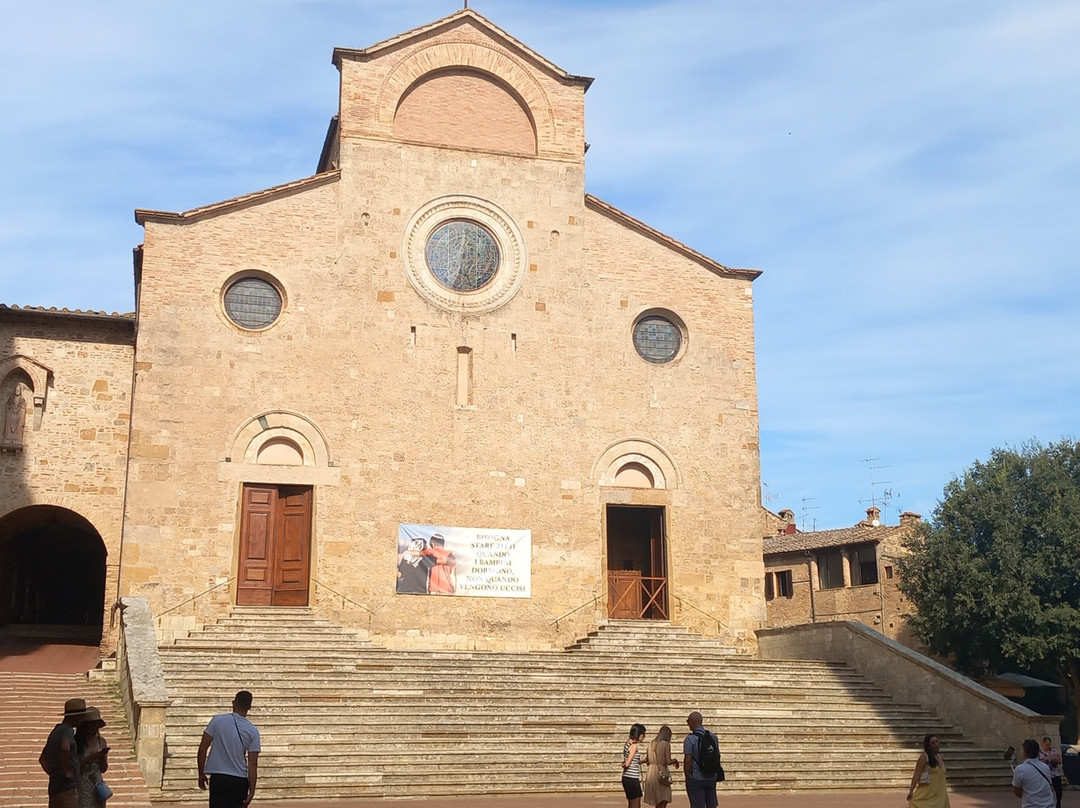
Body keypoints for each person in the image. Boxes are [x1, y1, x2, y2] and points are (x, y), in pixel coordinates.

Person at [197, 691, 261, 808]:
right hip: (239, 779)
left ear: (234, 703)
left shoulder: (217, 721)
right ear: (249, 707)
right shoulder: (253, 731)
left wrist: (201, 773)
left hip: (219, 777)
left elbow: (203, 748)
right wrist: (252, 790)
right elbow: (253, 763)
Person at [39, 698, 93, 808]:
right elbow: (65, 748)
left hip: (55, 786)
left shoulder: (55, 732)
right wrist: (65, 771)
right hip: (66, 788)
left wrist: (54, 774)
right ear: (75, 716)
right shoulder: (67, 730)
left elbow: (42, 759)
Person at [74, 706, 110, 808]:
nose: (92, 727)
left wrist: (101, 757)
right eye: (89, 724)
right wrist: (91, 757)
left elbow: (103, 769)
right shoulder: (76, 743)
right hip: (82, 785)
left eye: (94, 724)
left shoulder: (101, 742)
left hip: (97, 784)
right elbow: (76, 768)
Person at [683, 711, 719, 808]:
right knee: (711, 804)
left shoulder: (690, 739)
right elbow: (717, 755)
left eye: (688, 721)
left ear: (692, 722)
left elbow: (688, 760)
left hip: (696, 777)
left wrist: (687, 777)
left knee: (697, 805)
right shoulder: (713, 737)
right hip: (711, 775)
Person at [906, 734, 950, 807]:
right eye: (933, 743)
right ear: (928, 746)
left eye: (937, 741)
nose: (936, 744)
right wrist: (911, 791)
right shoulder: (924, 757)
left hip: (940, 795)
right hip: (927, 795)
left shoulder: (939, 757)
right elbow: (917, 774)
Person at [642, 724, 679, 808]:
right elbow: (668, 761)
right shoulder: (666, 744)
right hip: (661, 771)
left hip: (651, 772)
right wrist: (675, 760)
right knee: (663, 798)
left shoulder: (650, 744)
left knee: (656, 800)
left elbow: (647, 760)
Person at [1013, 738, 1055, 808]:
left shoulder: (1020, 769)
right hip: (1048, 805)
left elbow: (1017, 792)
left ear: (1025, 752)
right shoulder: (1045, 767)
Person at [621, 723, 647, 808]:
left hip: (626, 777)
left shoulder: (627, 743)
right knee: (636, 804)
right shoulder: (633, 746)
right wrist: (625, 764)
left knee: (631, 803)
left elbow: (630, 761)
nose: (644, 736)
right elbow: (628, 763)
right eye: (643, 734)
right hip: (632, 777)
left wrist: (643, 761)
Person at [1039, 736, 1063, 808]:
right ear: (1043, 744)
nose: (1048, 746)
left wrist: (1056, 759)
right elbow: (1037, 762)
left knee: (1059, 790)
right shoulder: (1039, 753)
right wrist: (1045, 759)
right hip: (1045, 774)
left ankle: (1058, 803)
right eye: (1046, 744)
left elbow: (1060, 761)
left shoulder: (1053, 751)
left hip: (1054, 773)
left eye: (1049, 744)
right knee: (1046, 790)